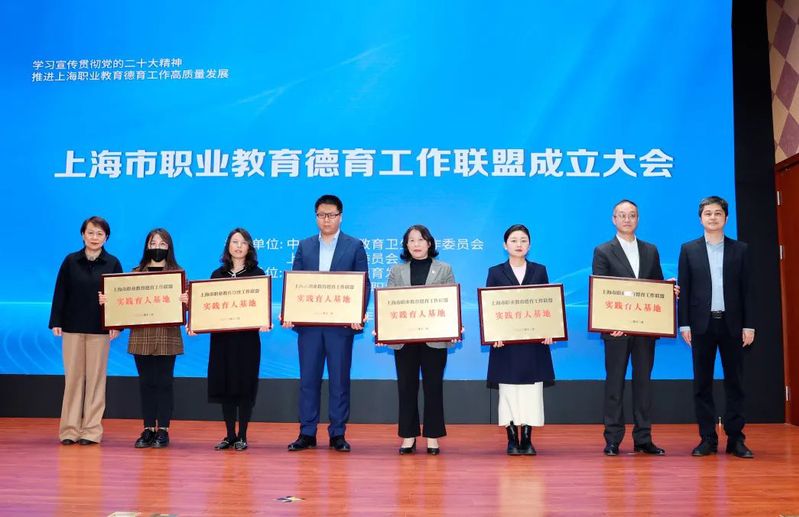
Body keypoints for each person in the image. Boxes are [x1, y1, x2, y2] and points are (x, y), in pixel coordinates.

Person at [283, 195, 370, 453]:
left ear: (341, 217)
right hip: (310, 327)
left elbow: (363, 283)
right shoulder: (305, 246)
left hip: (340, 327)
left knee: (339, 381)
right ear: (316, 217)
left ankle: (337, 433)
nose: (327, 219)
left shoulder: (354, 246)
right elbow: (295, 282)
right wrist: (290, 312)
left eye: (331, 215)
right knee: (308, 381)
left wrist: (357, 314)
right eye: (321, 215)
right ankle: (307, 432)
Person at [678, 196, 755, 459]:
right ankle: (707, 439)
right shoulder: (689, 249)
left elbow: (747, 291)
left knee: (735, 383)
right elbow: (685, 289)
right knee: (702, 384)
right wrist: (684, 324)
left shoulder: (740, 249)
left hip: (733, 325)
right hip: (701, 325)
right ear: (700, 218)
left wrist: (749, 325)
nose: (713, 217)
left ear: (726, 218)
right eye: (708, 213)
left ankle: (736, 439)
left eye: (718, 213)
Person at [592, 200, 669, 456]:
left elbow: (656, 284)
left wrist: (668, 289)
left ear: (638, 219)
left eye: (632, 215)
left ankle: (643, 438)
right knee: (615, 384)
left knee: (643, 384)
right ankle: (613, 439)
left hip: (645, 330)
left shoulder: (650, 250)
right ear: (613, 219)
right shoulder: (603, 251)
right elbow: (601, 289)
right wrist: (609, 323)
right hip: (617, 330)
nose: (627, 219)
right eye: (622, 215)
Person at [100, 228, 187, 449]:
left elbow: (187, 309)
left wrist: (187, 300)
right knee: (146, 383)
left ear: (169, 247)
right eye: (153, 243)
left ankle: (163, 429)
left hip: (167, 335)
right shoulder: (135, 273)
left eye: (162, 244)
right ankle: (148, 428)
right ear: (147, 246)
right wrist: (108, 302)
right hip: (141, 335)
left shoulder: (178, 274)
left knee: (164, 383)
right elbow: (122, 303)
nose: (157, 247)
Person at [378, 225, 456, 455]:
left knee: (433, 387)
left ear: (429, 243)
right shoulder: (397, 271)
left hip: (434, 339)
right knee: (406, 387)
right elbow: (390, 304)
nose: (416, 244)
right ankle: (408, 435)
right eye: (411, 240)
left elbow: (450, 301)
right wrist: (384, 329)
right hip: (405, 340)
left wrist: (454, 325)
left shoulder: (444, 269)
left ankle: (433, 436)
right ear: (406, 245)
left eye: (421, 239)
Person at [49, 216, 122, 445]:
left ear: (106, 237)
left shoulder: (113, 263)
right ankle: (69, 430)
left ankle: (91, 430)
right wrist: (56, 321)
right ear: (83, 235)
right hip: (72, 327)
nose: (94, 237)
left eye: (100, 234)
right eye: (90, 232)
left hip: (99, 329)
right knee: (73, 379)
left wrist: (116, 324)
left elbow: (119, 297)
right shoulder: (71, 261)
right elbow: (60, 291)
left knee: (96, 380)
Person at [485, 224, 555, 456]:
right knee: (509, 390)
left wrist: (549, 330)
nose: (518, 244)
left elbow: (547, 303)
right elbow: (490, 308)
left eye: (523, 240)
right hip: (506, 344)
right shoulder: (495, 272)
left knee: (531, 392)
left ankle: (527, 438)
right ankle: (511, 438)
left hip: (533, 343)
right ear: (505, 245)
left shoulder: (539, 270)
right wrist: (493, 334)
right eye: (514, 240)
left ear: (529, 245)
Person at [200, 228, 271, 451]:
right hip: (222, 341)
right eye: (234, 242)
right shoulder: (217, 275)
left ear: (249, 247)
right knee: (226, 385)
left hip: (247, 341)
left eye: (243, 242)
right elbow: (207, 307)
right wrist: (198, 323)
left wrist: (264, 321)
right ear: (228, 246)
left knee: (244, 386)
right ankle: (230, 434)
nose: (238, 246)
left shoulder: (257, 274)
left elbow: (262, 307)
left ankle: (242, 435)